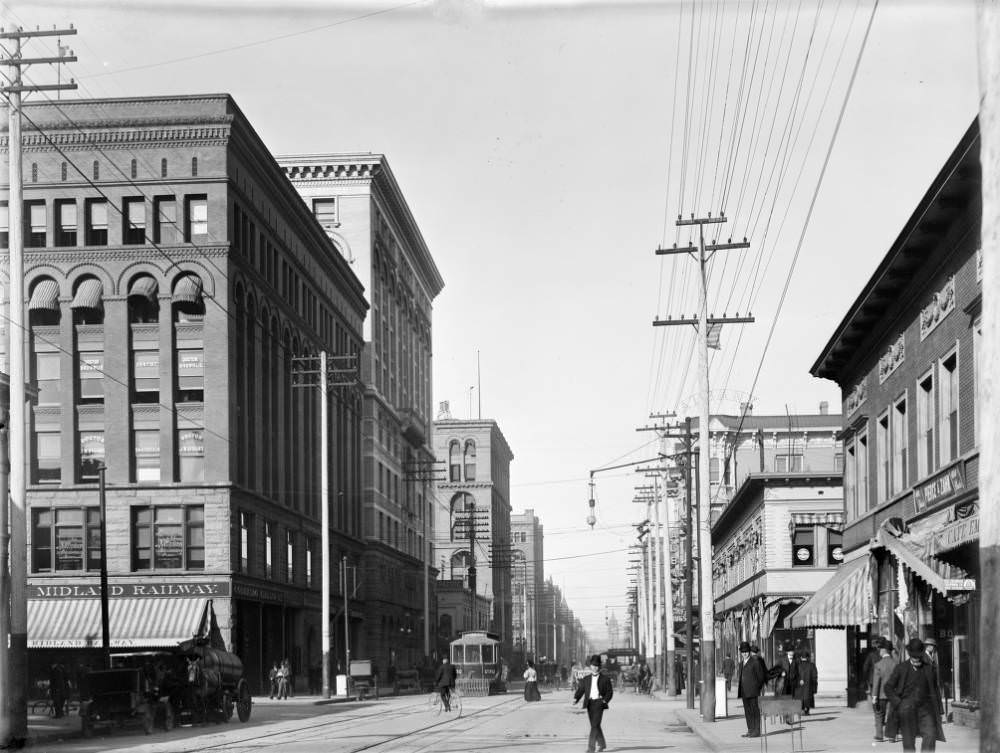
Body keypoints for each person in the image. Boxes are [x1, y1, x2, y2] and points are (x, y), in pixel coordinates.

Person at [883, 638, 946, 752]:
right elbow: (888, 687)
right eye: (914, 657)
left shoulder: (929, 668)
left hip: (926, 710)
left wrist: (940, 711)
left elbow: (935, 690)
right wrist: (898, 703)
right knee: (908, 742)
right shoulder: (901, 668)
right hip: (906, 709)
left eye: (918, 656)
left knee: (930, 734)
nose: (916, 659)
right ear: (910, 655)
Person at [572, 654, 613, 753]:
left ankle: (591, 748)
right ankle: (602, 744)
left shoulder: (605, 679)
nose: (595, 668)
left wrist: (604, 701)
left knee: (594, 726)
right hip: (589, 704)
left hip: (599, 703)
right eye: (594, 666)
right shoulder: (586, 679)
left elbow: (609, 692)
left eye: (598, 666)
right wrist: (576, 698)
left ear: (600, 667)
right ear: (590, 666)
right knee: (595, 725)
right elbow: (581, 690)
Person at [736, 641, 767, 738]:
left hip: (753, 692)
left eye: (746, 651)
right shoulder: (741, 664)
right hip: (744, 692)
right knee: (747, 712)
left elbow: (761, 677)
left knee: (755, 711)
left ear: (749, 652)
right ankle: (750, 730)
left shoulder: (755, 662)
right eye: (743, 652)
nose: (744, 653)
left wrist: (757, 687)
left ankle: (756, 731)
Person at [872, 638, 898, 742]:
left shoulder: (878, 665)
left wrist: (874, 697)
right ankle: (892, 736)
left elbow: (876, 683)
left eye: (880, 649)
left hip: (881, 695)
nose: (879, 651)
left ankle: (879, 735)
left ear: (883, 651)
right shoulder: (895, 664)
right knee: (892, 714)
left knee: (879, 714)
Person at [793, 650, 818, 715]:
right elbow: (814, 677)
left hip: (799, 685)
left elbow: (794, 675)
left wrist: (799, 681)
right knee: (807, 697)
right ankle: (807, 710)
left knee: (800, 697)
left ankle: (801, 709)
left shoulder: (797, 665)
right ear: (807, 657)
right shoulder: (812, 665)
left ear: (801, 657)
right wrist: (814, 688)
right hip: (808, 685)